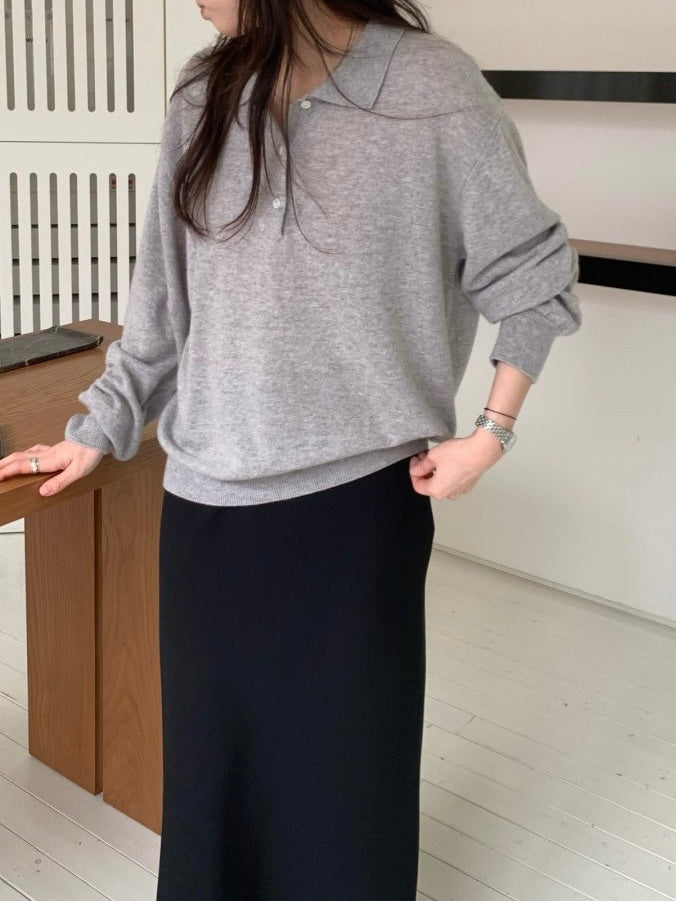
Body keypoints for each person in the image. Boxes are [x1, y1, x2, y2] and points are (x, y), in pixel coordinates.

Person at [0, 1, 581, 898]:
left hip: (357, 515)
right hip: (205, 507)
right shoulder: (203, 91)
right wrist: (96, 432)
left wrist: (491, 434)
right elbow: (162, 306)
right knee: (214, 776)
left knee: (345, 787)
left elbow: (534, 275)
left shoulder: (433, 89)